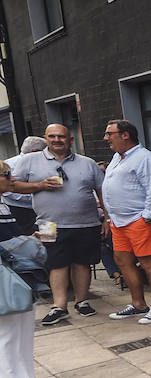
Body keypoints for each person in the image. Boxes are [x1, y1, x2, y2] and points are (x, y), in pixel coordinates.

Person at [6, 124, 108, 325]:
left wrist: (106, 217)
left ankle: (82, 302)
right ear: (46, 138)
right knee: (55, 263)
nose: (57, 140)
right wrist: (40, 185)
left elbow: (102, 191)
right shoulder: (29, 160)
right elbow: (12, 185)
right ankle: (59, 306)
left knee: (83, 262)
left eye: (61, 136)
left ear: (70, 140)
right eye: (52, 136)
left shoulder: (87, 163)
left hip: (87, 223)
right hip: (47, 224)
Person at [102, 120, 151, 323]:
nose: (106, 138)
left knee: (149, 263)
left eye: (109, 134)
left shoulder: (144, 158)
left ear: (125, 135)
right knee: (122, 261)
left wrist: (147, 217)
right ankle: (138, 304)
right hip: (119, 221)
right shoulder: (117, 157)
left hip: (139, 220)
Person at [0, 162, 54, 378]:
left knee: (23, 328)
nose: (12, 178)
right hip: (4, 274)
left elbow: (10, 235)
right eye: (6, 175)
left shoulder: (3, 202)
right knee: (8, 332)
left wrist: (29, 239)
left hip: (17, 272)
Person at [2, 135, 46, 236]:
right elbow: (10, 191)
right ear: (35, 151)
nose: (13, 179)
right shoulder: (10, 165)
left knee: (45, 238)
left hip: (41, 210)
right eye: (45, 151)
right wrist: (38, 196)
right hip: (22, 211)